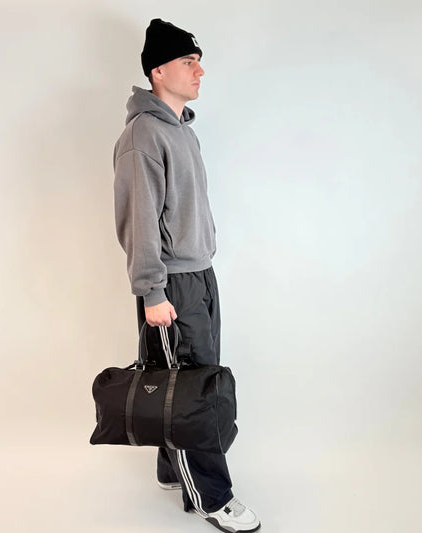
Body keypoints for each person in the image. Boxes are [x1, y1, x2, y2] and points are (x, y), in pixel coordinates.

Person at [113, 18, 260, 533]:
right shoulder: (143, 135)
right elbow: (139, 221)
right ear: (158, 71)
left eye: (199, 61)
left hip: (200, 276)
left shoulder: (182, 132)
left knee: (185, 377)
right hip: (171, 283)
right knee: (196, 389)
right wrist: (152, 290)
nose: (200, 71)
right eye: (188, 61)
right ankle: (212, 496)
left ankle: (173, 468)